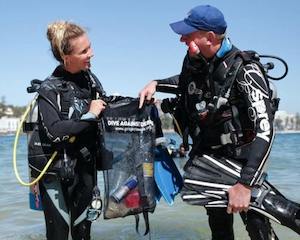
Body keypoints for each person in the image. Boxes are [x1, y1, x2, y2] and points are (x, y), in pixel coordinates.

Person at [139, 5, 278, 240]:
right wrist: (156, 83)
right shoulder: (197, 62)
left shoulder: (247, 70)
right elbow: (185, 86)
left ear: (210, 37)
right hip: (212, 163)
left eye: (189, 35)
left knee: (258, 228)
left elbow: (265, 130)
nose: (182, 39)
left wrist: (245, 184)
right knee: (220, 230)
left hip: (244, 163)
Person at [36, 21, 106, 240]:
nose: (91, 54)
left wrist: (141, 105)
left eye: (90, 47)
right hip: (56, 174)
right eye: (84, 51)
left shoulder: (91, 81)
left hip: (85, 170)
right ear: (67, 57)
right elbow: (55, 131)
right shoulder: (49, 88)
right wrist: (91, 116)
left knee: (83, 235)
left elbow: (106, 108)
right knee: (57, 235)